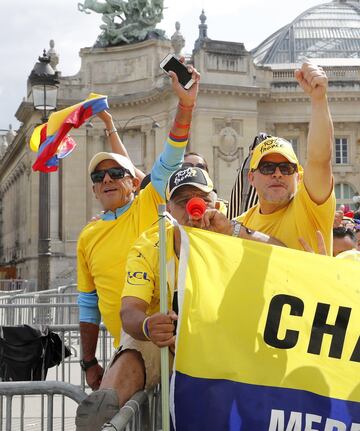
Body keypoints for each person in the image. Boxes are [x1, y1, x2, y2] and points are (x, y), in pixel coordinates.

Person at [75, 62, 201, 431]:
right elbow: (87, 303)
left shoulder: (149, 203)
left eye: (116, 174)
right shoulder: (87, 235)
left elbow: (173, 153)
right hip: (134, 340)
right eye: (99, 177)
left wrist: (185, 108)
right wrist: (87, 362)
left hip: (179, 330)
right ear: (95, 190)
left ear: (134, 182)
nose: (108, 180)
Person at [118, 166, 285, 399]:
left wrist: (234, 231)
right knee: (131, 352)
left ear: (216, 204)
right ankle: (105, 406)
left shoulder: (231, 231)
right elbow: (129, 311)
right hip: (171, 349)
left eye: (202, 200)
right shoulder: (150, 246)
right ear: (169, 210)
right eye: (183, 201)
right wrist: (149, 326)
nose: (193, 210)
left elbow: (287, 260)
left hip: (225, 354)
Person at [234, 61, 336, 254]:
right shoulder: (239, 224)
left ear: (298, 177)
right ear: (251, 177)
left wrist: (319, 99)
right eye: (267, 168)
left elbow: (320, 159)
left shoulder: (310, 208)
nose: (277, 174)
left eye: (286, 168)